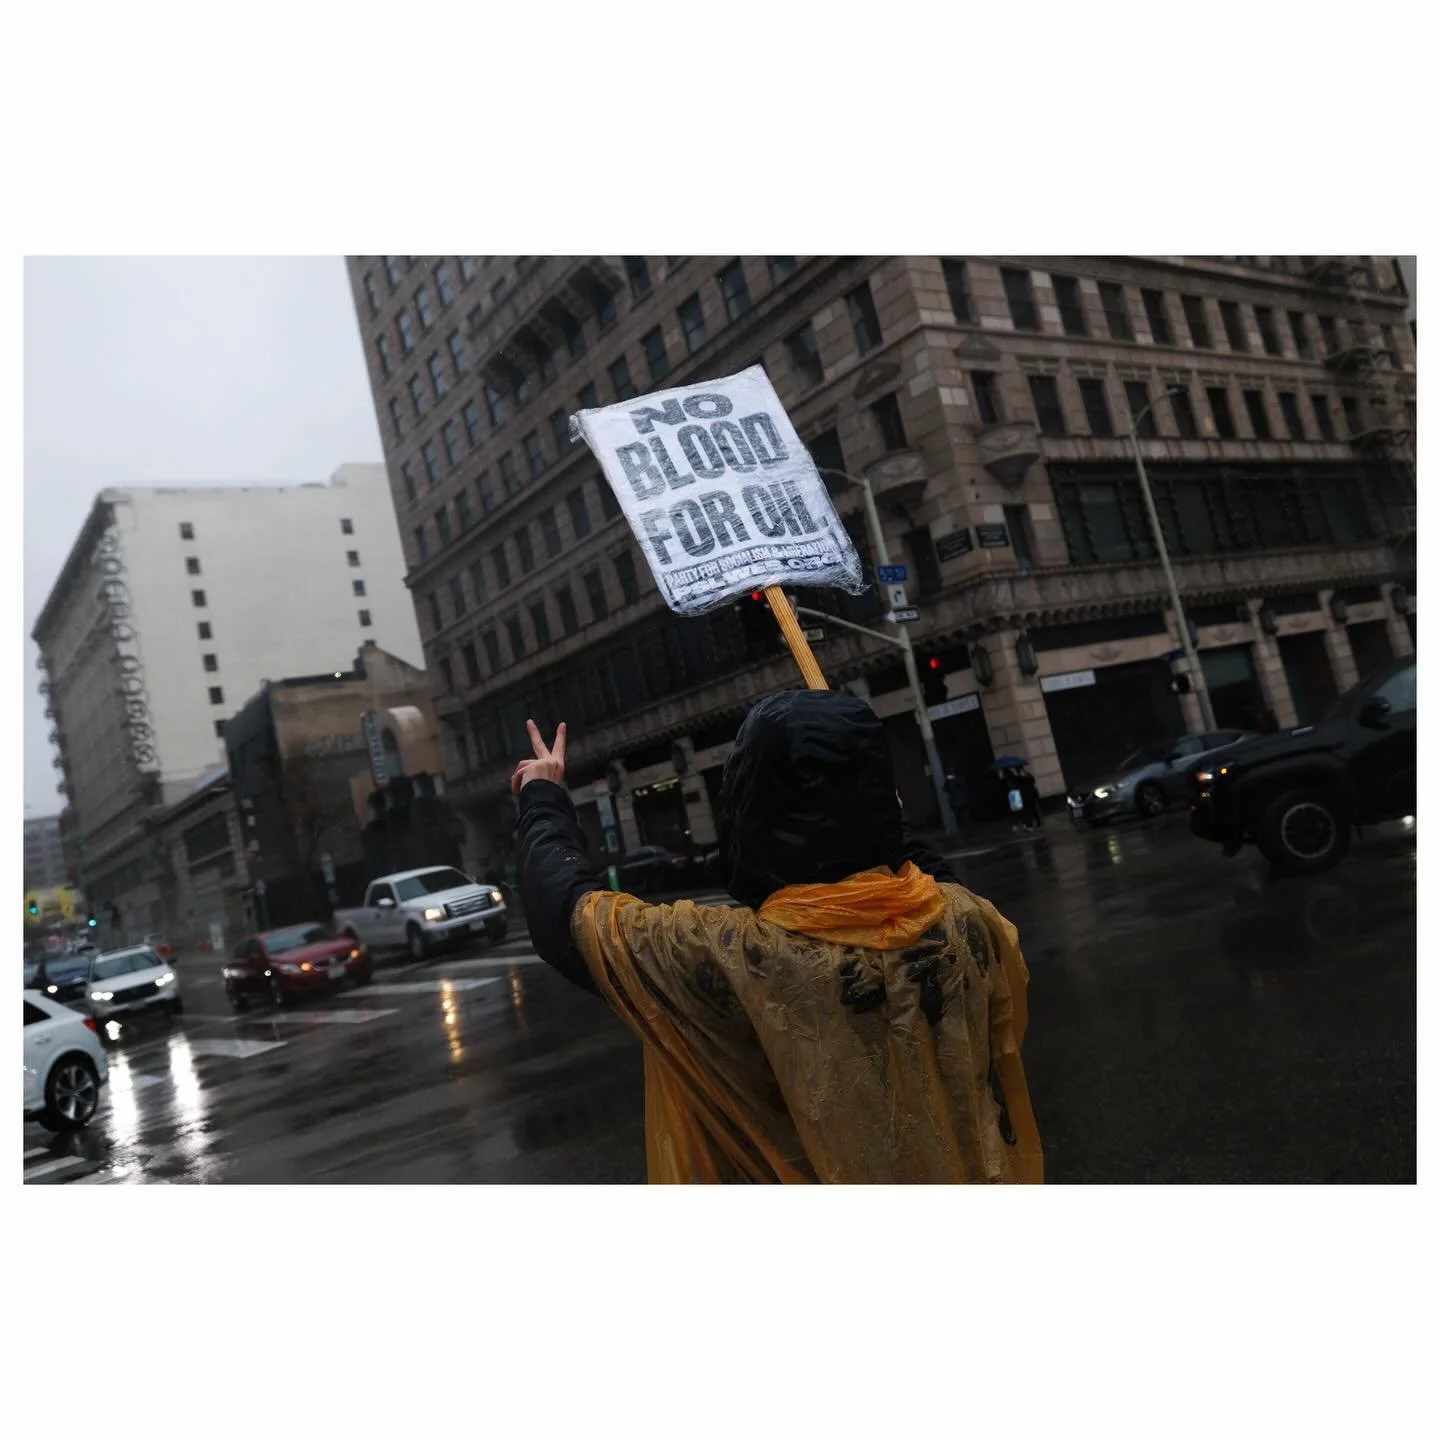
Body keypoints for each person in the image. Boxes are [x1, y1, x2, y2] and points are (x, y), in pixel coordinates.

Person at [513, 691, 1043, 1184]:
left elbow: (568, 916)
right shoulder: (967, 921)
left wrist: (543, 796)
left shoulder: (730, 957)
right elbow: (920, 867)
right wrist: (870, 796)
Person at [943, 769, 970, 839]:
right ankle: (963, 833)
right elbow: (945, 789)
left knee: (964, 818)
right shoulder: (949, 782)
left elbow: (963, 786)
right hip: (955, 803)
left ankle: (966, 833)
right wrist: (947, 780)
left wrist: (954, 780)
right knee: (959, 819)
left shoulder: (960, 780)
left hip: (962, 802)